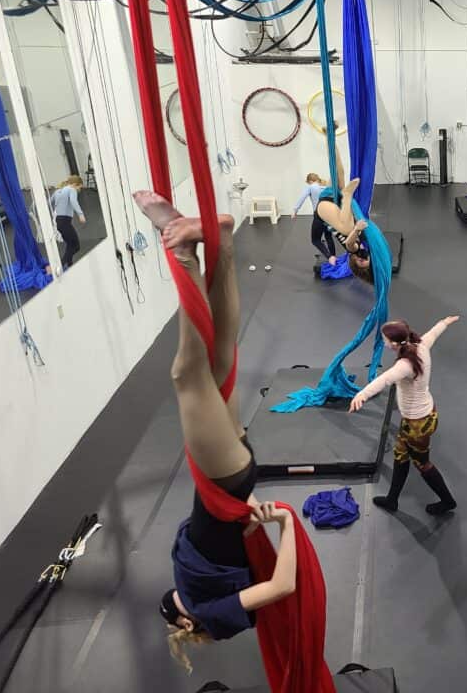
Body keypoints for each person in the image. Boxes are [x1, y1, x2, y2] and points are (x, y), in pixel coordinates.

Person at [133, 190, 299, 672]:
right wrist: (285, 525)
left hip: (234, 483)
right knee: (187, 375)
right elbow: (281, 587)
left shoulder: (203, 594)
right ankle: (184, 253)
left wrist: (250, 515)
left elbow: (227, 545)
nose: (176, 602)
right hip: (223, 480)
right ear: (186, 626)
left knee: (220, 355)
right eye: (175, 611)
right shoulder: (211, 613)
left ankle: (222, 241)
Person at [350, 316, 460, 516]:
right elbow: (433, 334)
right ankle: (392, 499)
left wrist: (361, 395)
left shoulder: (405, 365)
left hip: (417, 423)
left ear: (393, 343)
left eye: (384, 340)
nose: (383, 342)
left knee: (422, 463)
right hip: (422, 416)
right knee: (400, 454)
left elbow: (383, 380)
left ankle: (447, 501)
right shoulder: (419, 345)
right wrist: (443, 323)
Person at [315, 145, 373, 284]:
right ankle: (329, 136)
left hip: (325, 208)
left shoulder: (354, 250)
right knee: (338, 169)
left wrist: (357, 230)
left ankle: (348, 194)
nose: (362, 257)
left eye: (360, 261)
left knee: (348, 229)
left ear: (353, 261)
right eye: (365, 260)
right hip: (337, 203)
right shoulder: (365, 247)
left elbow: (349, 243)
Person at [291, 172, 338, 266]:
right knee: (328, 237)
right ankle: (334, 256)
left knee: (315, 240)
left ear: (310, 181)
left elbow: (302, 198)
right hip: (330, 216)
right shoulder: (325, 187)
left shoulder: (311, 187)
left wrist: (295, 210)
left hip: (319, 216)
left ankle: (330, 257)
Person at [51, 175, 85, 268]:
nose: (79, 190)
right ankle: (61, 265)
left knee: (70, 245)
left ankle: (70, 264)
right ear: (74, 184)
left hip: (59, 222)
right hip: (65, 222)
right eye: (79, 187)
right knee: (76, 246)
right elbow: (74, 201)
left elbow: (49, 203)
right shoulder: (71, 189)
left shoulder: (57, 191)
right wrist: (81, 214)